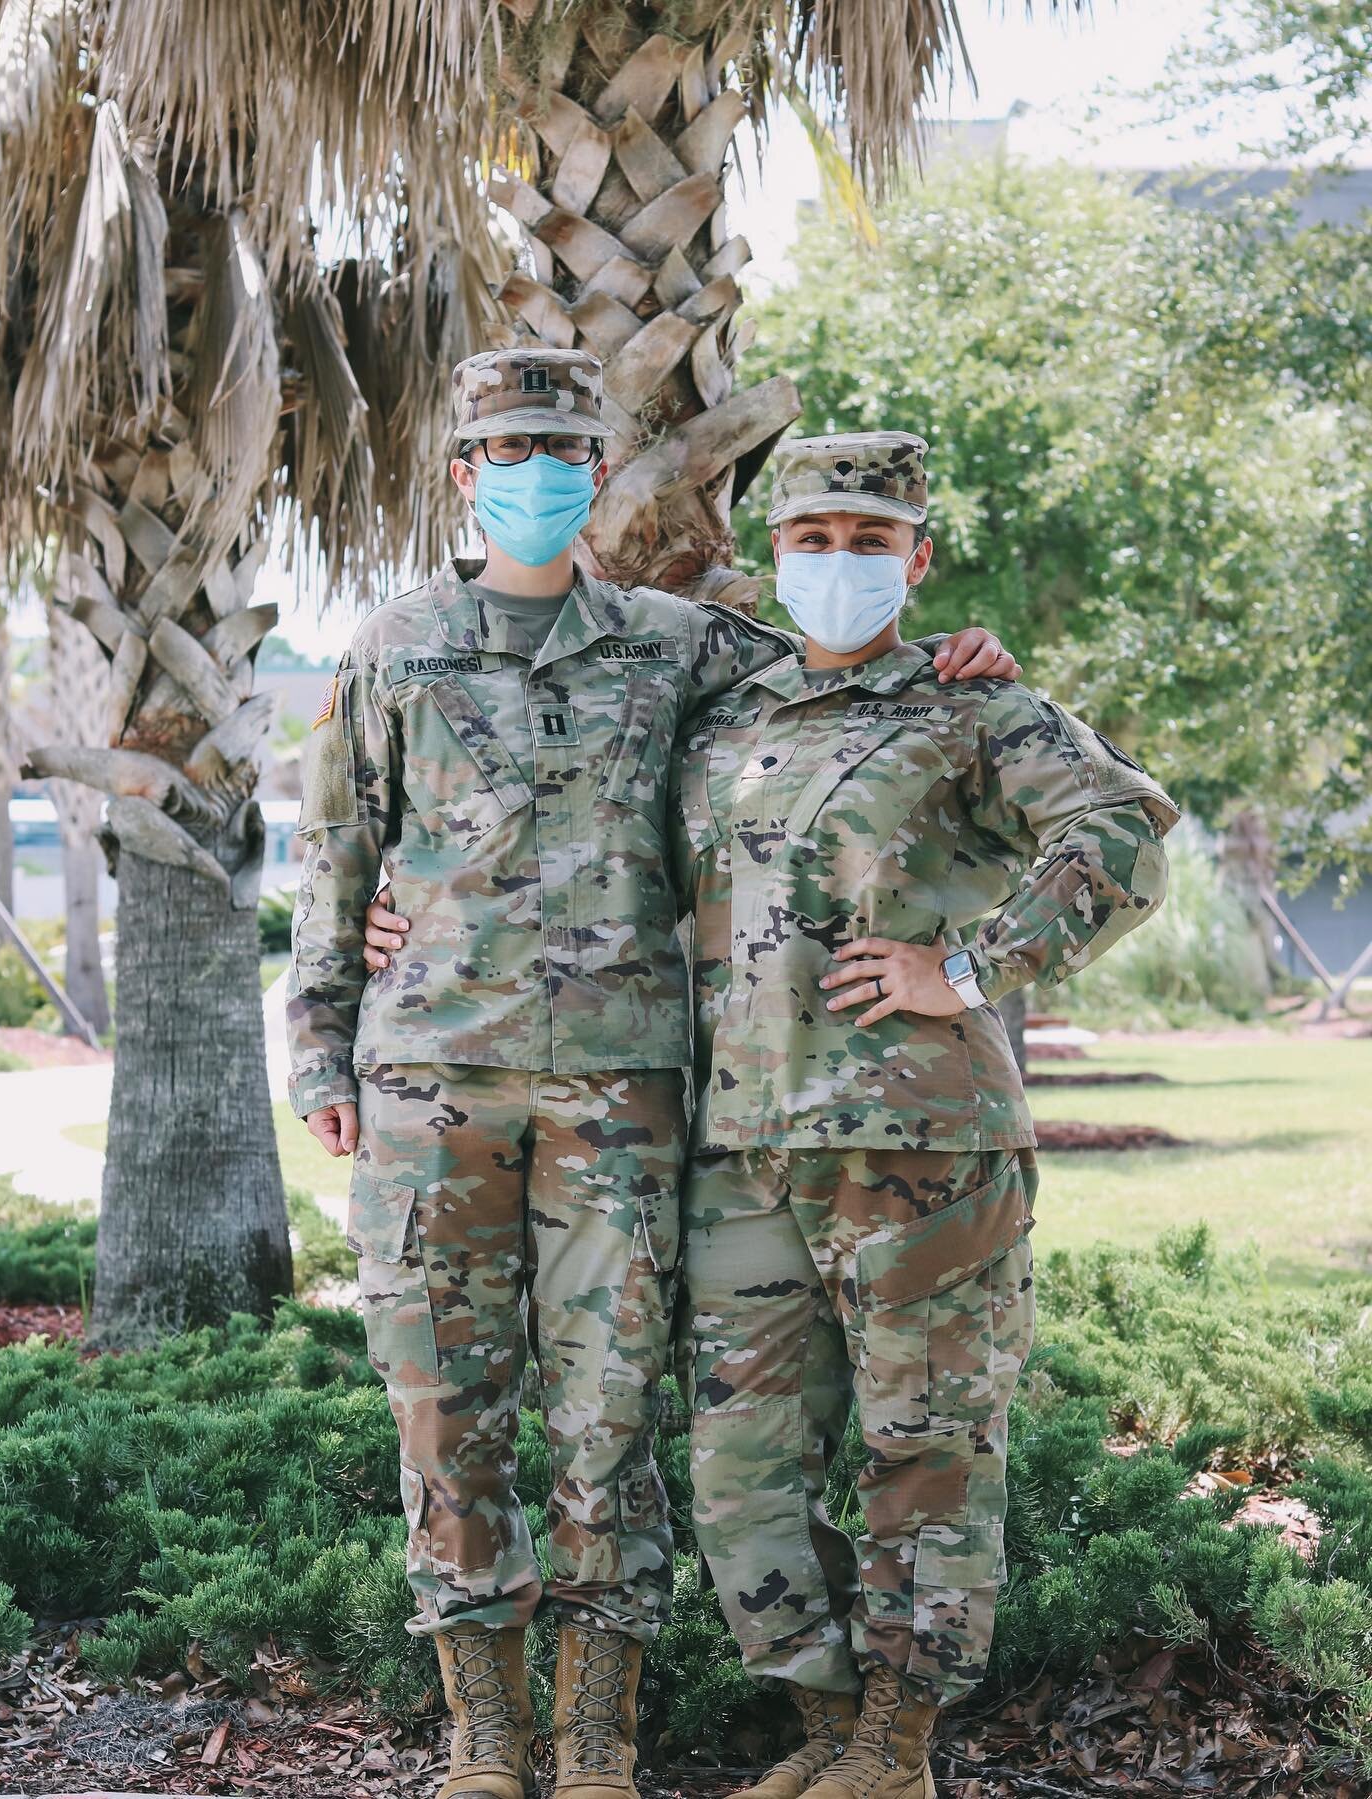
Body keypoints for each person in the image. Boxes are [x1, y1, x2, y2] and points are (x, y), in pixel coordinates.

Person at [291, 350, 1014, 1799]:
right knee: (441, 1407)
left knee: (608, 1412)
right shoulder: (394, 644)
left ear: (599, 470)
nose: (539, 474)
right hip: (431, 1083)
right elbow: (337, 849)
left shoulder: (679, 644)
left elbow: (838, 695)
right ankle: (484, 1733)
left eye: (565, 449)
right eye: (511, 449)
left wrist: (960, 656)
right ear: (465, 473)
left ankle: (594, 1739)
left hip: (625, 1095)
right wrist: (322, 1038)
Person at [668, 432, 1180, 1799]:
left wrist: (966, 969)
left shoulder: (975, 706)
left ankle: (897, 1750)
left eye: (871, 540)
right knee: (740, 1471)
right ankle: (826, 1729)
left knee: (927, 1452)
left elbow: (1124, 833)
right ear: (776, 553)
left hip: (925, 1147)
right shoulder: (723, 720)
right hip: (744, 1148)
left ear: (919, 558)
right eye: (814, 539)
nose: (839, 562)